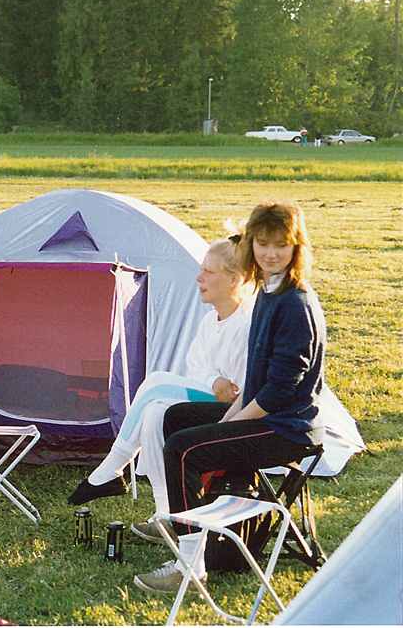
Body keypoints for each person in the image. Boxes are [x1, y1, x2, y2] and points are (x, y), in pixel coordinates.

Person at [134, 201, 326, 594]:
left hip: (288, 428)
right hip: (268, 415)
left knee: (185, 450)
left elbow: (278, 392)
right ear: (251, 244)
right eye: (263, 243)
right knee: (174, 417)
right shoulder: (269, 292)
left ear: (296, 248)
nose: (271, 253)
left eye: (281, 244)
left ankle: (190, 566)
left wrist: (231, 423)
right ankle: (178, 520)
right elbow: (256, 380)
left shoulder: (295, 303)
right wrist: (225, 420)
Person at [67, 237, 254, 532]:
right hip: (210, 400)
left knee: (155, 383)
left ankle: (112, 467)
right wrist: (214, 379)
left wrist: (219, 383)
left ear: (234, 280)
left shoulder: (246, 324)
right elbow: (196, 369)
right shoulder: (209, 322)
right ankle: (167, 515)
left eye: (209, 272)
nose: (199, 278)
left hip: (237, 413)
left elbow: (240, 391)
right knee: (155, 413)